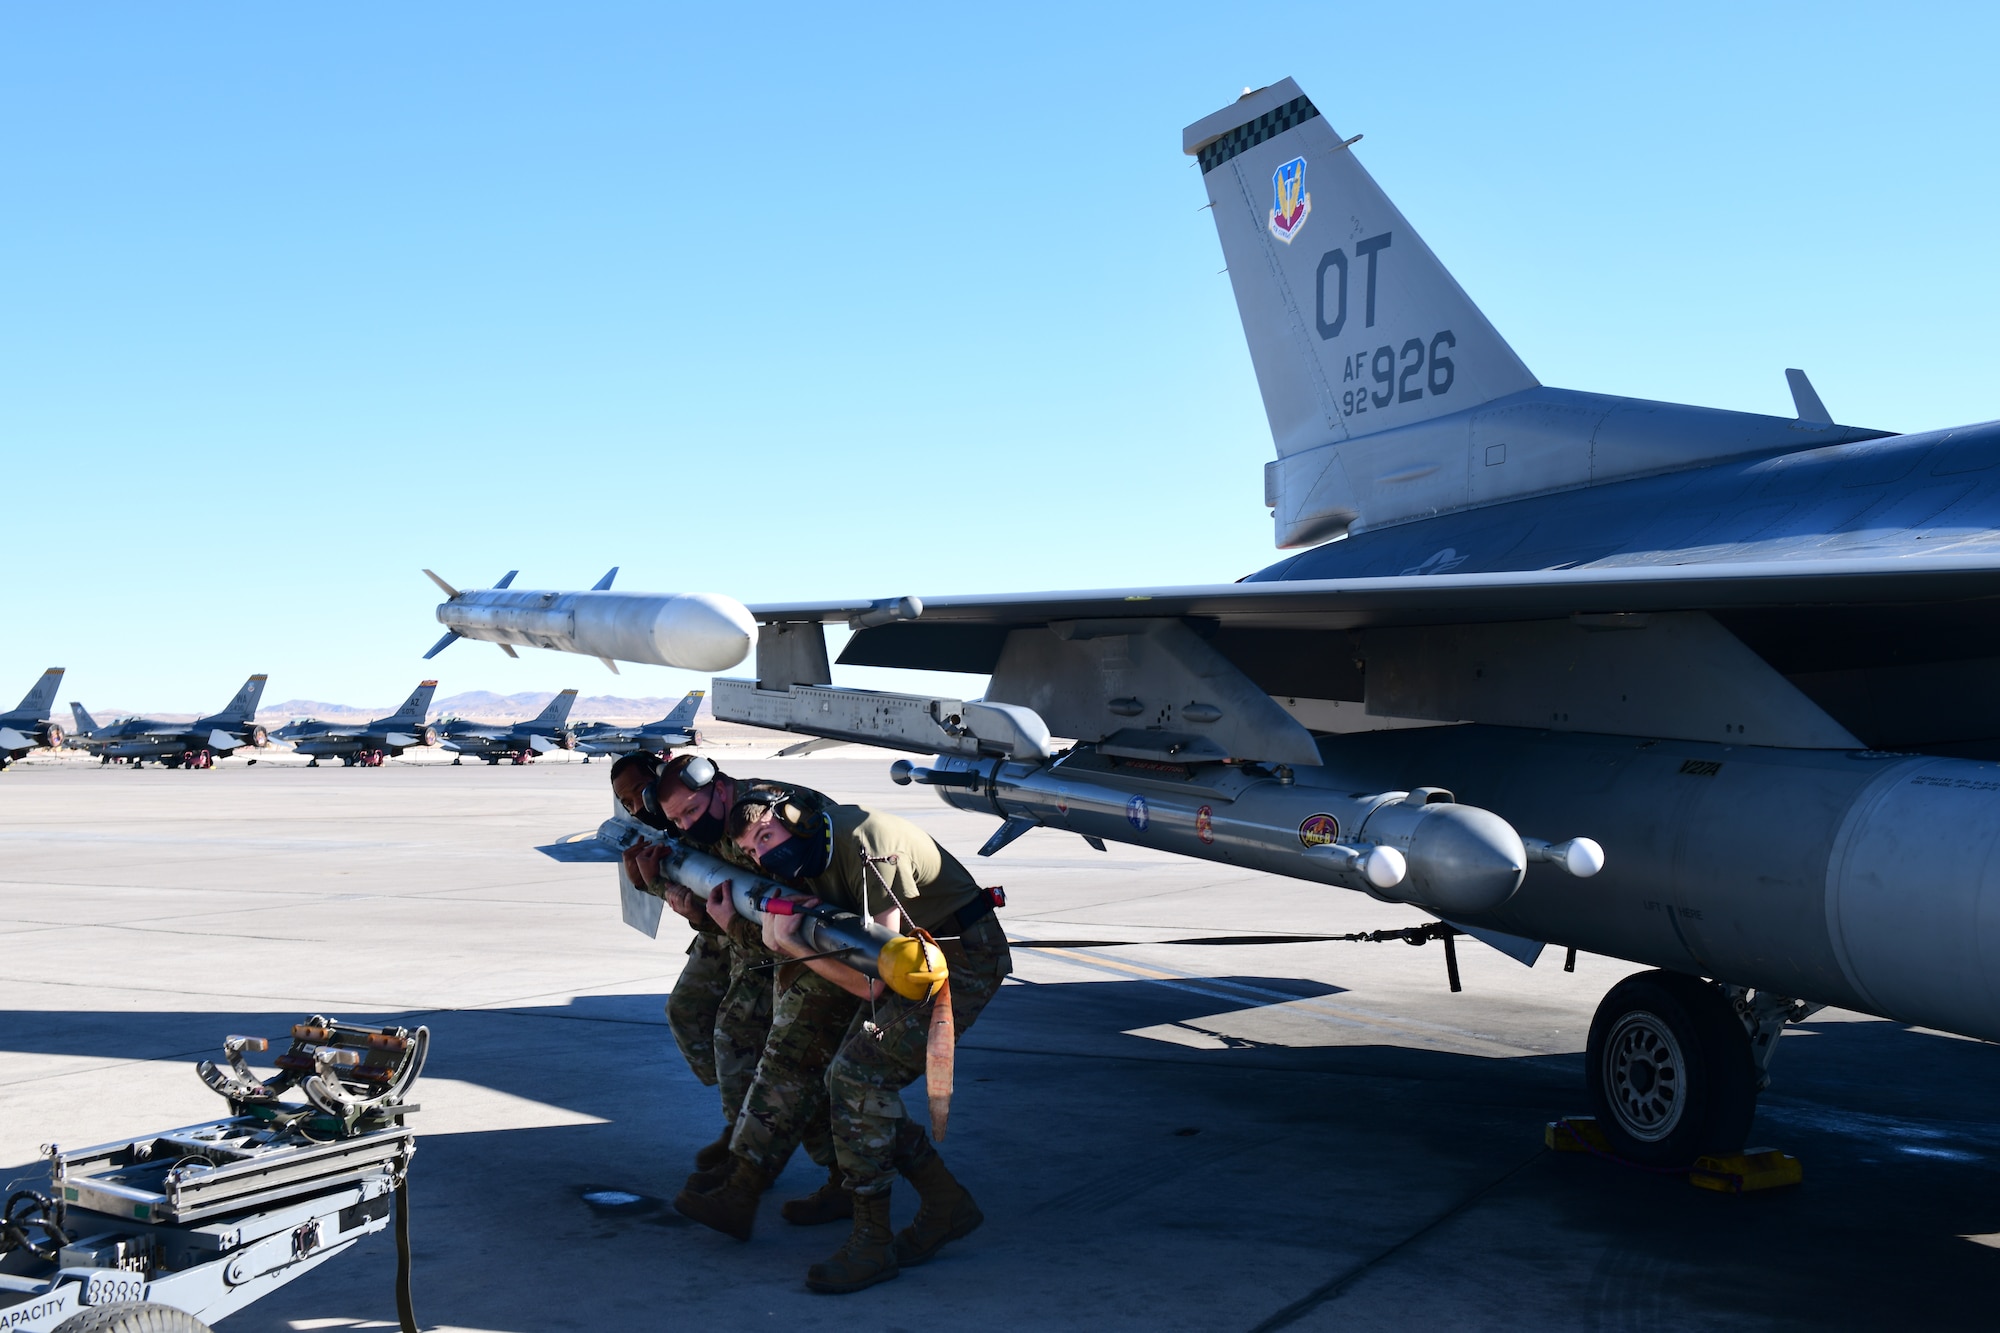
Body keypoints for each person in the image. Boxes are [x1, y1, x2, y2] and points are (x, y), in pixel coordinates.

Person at [724, 790, 1011, 1294]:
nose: (764, 856)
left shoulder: (866, 846)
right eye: (752, 851)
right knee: (846, 1079)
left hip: (957, 959)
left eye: (767, 838)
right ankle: (945, 1203)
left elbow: (879, 983)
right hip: (916, 959)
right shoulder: (809, 855)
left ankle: (873, 1241)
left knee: (857, 1078)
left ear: (798, 822)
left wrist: (789, 944)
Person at [608, 753, 845, 1215]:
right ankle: (749, 1139)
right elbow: (716, 897)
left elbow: (773, 927)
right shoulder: (687, 815)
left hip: (804, 948)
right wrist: (661, 888)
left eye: (642, 792)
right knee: (703, 1024)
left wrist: (699, 913)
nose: (640, 806)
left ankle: (770, 1162)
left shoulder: (758, 818)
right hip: (749, 939)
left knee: (758, 1052)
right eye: (629, 801)